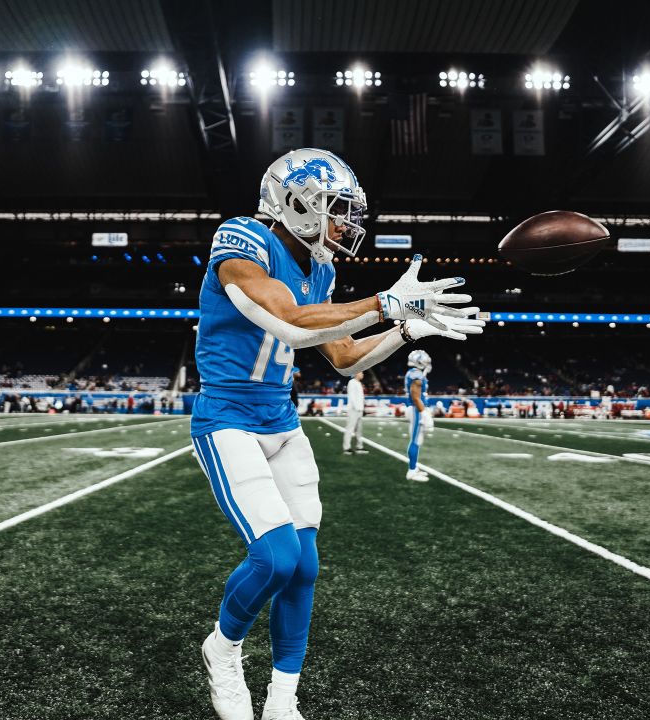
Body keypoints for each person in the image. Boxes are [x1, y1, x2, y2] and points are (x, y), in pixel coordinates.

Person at [192, 148, 482, 720]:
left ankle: (281, 699)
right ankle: (222, 650)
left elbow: (344, 357)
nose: (345, 223)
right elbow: (288, 322)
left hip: (281, 419)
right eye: (335, 209)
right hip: (227, 418)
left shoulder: (321, 267)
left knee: (304, 565)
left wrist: (402, 328)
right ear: (295, 202)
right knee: (274, 558)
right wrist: (382, 302)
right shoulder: (242, 240)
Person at [404, 350, 434, 482]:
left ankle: (414, 468)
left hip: (416, 409)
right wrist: (424, 413)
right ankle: (411, 471)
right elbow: (416, 398)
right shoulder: (416, 375)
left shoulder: (413, 373)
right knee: (415, 440)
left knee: (418, 440)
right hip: (417, 409)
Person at [341, 371, 367, 455]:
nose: (362, 374)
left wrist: (362, 408)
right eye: (361, 373)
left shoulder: (358, 383)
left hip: (359, 410)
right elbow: (352, 396)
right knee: (350, 429)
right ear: (356, 374)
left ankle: (359, 447)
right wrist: (357, 407)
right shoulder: (351, 382)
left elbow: (360, 397)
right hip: (353, 410)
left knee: (359, 430)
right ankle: (346, 447)